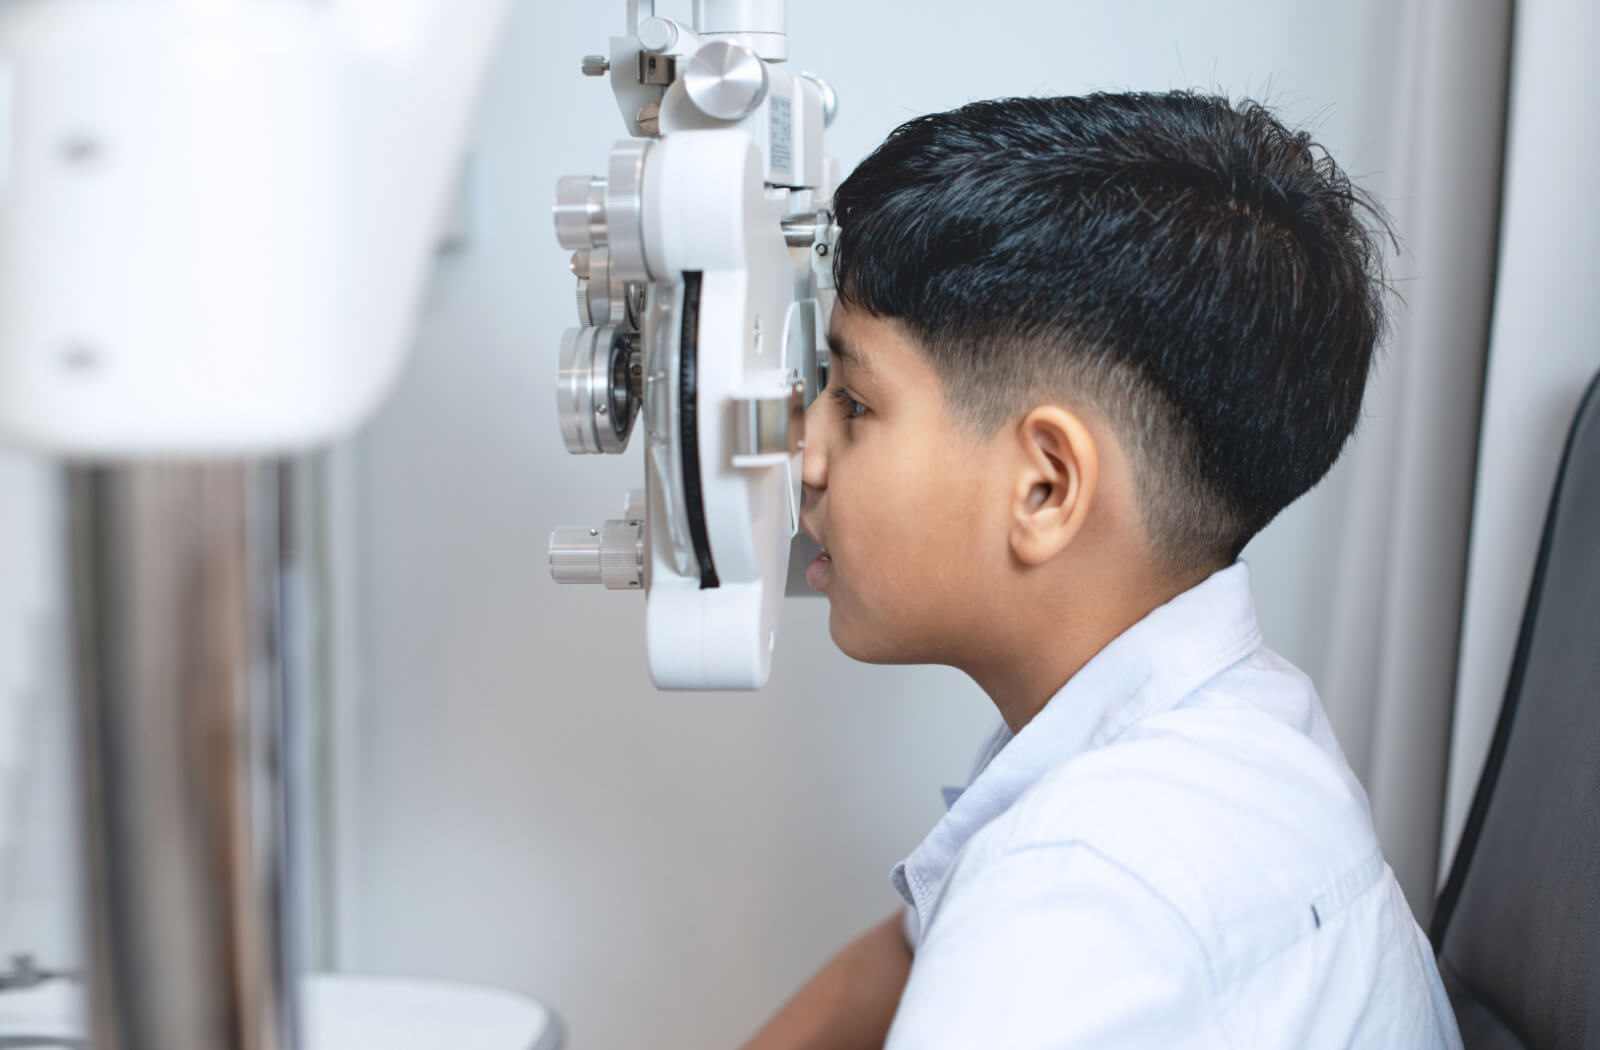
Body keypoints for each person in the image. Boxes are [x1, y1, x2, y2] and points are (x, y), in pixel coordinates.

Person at [741, 92, 1463, 1049]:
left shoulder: (1082, 892)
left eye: (856, 402)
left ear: (1045, 487)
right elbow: (904, 955)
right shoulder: (1234, 723)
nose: (807, 451)